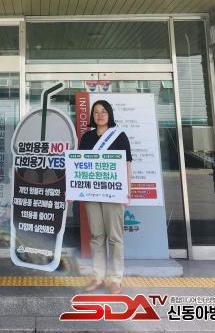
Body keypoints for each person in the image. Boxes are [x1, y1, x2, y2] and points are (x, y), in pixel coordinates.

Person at [79, 100, 132, 294]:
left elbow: (127, 164)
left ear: (109, 114)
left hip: (114, 193)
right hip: (92, 193)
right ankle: (98, 277)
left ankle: (116, 278)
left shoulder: (119, 136)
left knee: (115, 237)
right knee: (97, 236)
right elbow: (79, 165)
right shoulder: (87, 137)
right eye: (96, 112)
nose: (100, 115)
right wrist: (74, 189)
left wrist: (128, 190)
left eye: (103, 111)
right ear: (92, 116)